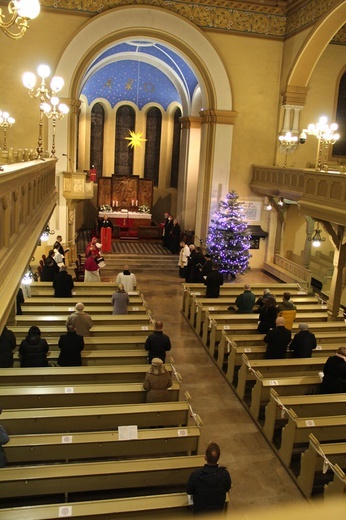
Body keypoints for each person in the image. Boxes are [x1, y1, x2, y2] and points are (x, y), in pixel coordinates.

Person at [186, 442, 232, 516]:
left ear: (205, 457)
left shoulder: (196, 474)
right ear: (218, 458)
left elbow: (189, 490)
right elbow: (227, 488)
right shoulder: (224, 474)